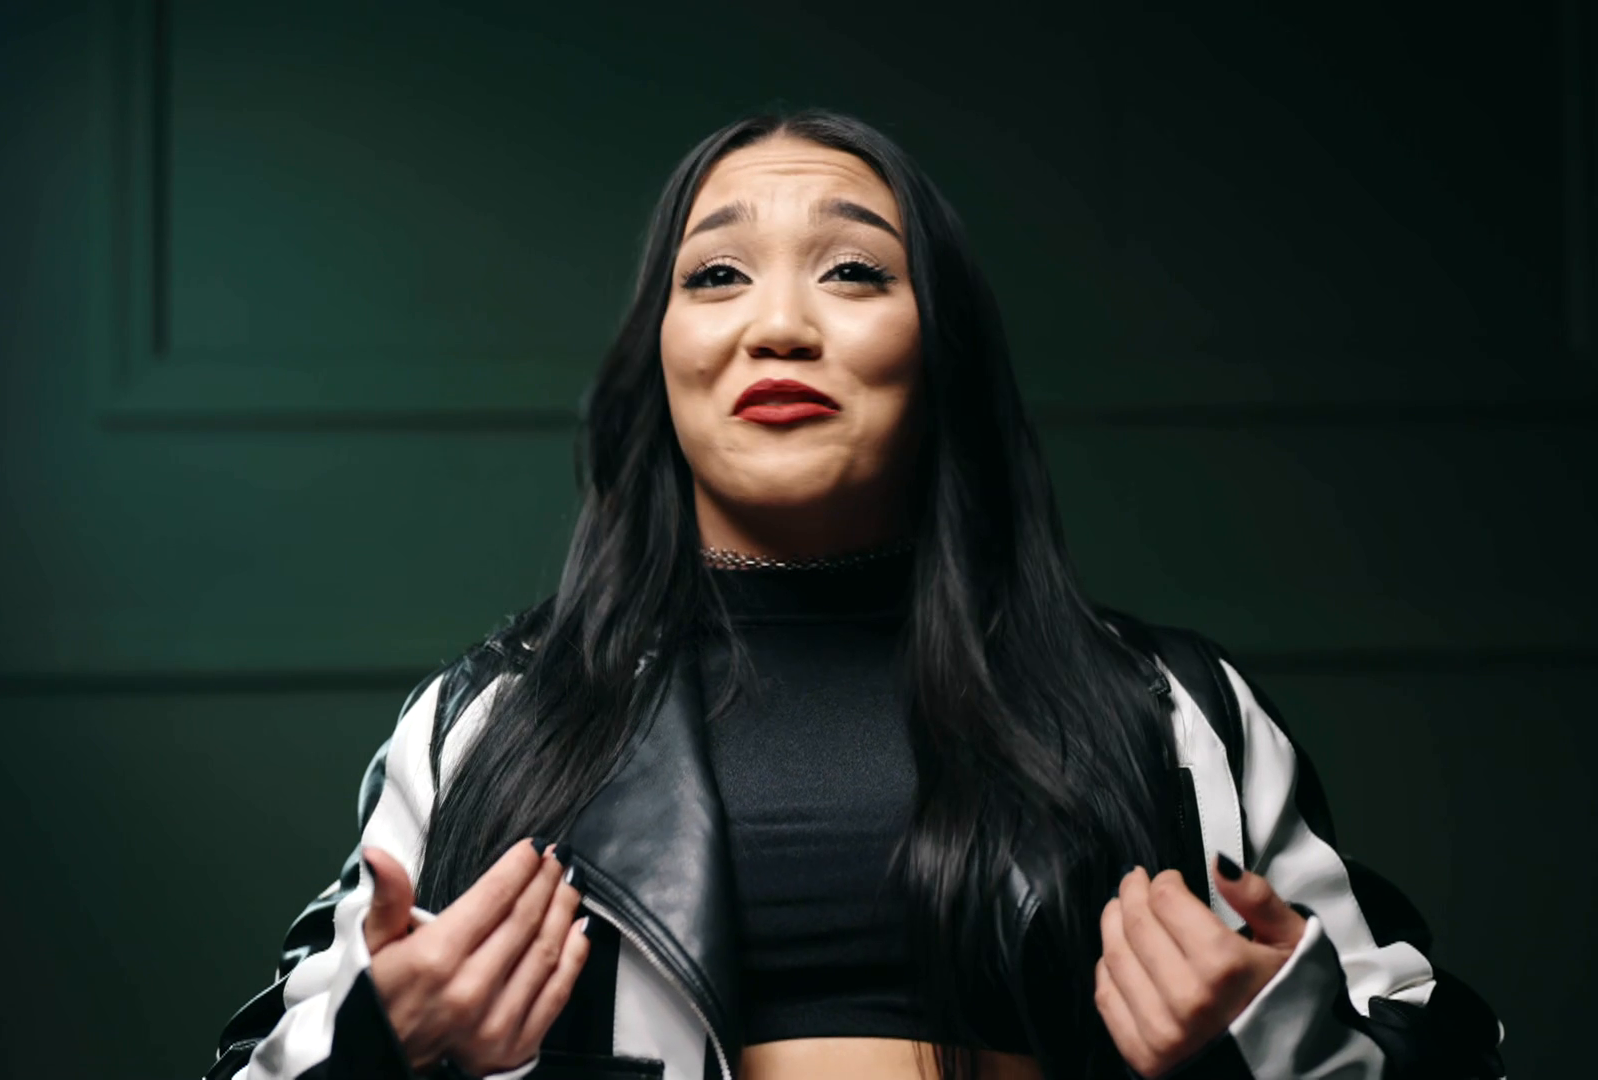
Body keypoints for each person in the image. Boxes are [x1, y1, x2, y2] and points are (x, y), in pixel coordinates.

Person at [201, 110, 1506, 1080]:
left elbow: (1442, 1052)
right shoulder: (488, 725)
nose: (778, 324)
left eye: (855, 272)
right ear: (661, 358)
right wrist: (383, 1045)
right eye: (716, 275)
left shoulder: (1169, 714)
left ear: (941, 354)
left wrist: (1273, 1031)